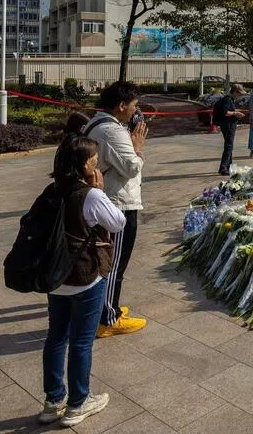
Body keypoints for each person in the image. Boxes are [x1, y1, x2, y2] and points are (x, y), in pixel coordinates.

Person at [39, 135, 124, 427]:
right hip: (85, 276)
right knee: (81, 342)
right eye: (94, 159)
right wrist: (100, 190)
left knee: (56, 337)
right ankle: (78, 403)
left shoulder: (52, 190)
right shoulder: (91, 194)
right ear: (85, 164)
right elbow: (117, 222)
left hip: (56, 276)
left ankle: (53, 401)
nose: (97, 162)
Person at [83, 81, 147, 337]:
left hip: (105, 200)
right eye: (134, 105)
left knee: (106, 260)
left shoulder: (96, 123)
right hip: (118, 205)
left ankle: (106, 307)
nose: (136, 110)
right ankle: (107, 318)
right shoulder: (113, 131)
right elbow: (131, 167)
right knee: (114, 263)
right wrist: (138, 148)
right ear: (121, 105)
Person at [214, 84, 246, 175]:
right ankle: (223, 167)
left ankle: (228, 165)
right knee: (228, 146)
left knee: (229, 145)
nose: (240, 96)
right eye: (239, 94)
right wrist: (236, 113)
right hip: (228, 125)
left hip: (229, 124)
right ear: (234, 92)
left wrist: (236, 112)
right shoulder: (228, 99)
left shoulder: (229, 99)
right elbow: (226, 112)